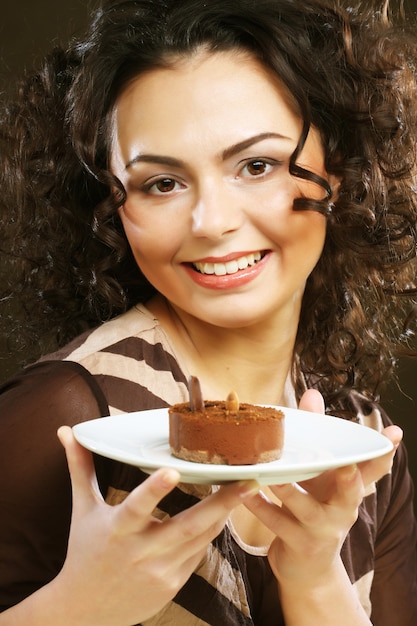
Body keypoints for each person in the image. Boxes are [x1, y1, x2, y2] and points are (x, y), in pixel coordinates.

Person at [0, 0, 416, 623]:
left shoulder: (361, 446)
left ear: (345, 167)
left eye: (257, 165)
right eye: (162, 183)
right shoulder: (67, 415)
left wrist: (315, 579)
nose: (212, 223)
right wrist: (75, 607)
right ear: (111, 205)